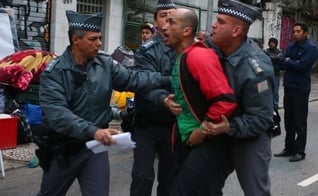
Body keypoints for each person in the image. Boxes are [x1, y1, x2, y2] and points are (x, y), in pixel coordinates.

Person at [37, 10, 170, 196]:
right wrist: (94, 131)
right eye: (93, 39)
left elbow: (133, 79)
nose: (99, 43)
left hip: (95, 148)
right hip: (64, 150)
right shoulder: (54, 73)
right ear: (76, 40)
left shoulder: (105, 64)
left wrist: (168, 79)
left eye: (100, 38)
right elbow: (58, 115)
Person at [169, 1, 275, 195]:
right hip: (215, 132)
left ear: (237, 30)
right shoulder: (209, 48)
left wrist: (230, 127)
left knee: (255, 190)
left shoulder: (257, 68)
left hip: (248, 136)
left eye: (220, 21)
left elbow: (262, 118)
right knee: (205, 187)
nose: (213, 25)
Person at [161, 8, 237, 195]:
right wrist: (174, 100)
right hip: (188, 141)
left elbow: (225, 100)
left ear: (187, 31)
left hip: (209, 144)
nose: (164, 27)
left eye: (171, 22)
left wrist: (203, 130)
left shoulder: (198, 56)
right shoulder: (183, 55)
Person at [129, 0, 177, 196]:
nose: (167, 20)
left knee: (170, 177)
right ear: (155, 21)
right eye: (163, 15)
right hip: (146, 123)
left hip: (174, 125)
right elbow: (144, 85)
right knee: (143, 176)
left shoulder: (185, 48)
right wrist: (166, 97)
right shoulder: (145, 51)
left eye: (171, 16)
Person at [274, 22, 318, 162]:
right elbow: (281, 62)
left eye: (298, 31)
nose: (295, 34)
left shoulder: (311, 48)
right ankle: (289, 147)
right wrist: (290, 61)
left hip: (301, 89)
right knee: (289, 120)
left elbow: (303, 66)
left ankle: (300, 151)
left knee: (300, 121)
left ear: (305, 33)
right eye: (294, 31)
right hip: (288, 86)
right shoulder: (291, 47)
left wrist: (289, 61)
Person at [264, 37, 282, 110]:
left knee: (275, 91)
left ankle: (275, 106)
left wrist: (270, 57)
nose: (271, 44)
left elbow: (278, 58)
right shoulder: (266, 51)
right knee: (264, 90)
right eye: (270, 42)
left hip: (275, 74)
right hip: (266, 75)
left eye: (273, 42)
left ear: (276, 44)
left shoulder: (279, 52)